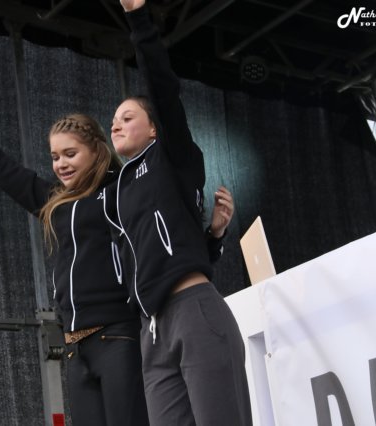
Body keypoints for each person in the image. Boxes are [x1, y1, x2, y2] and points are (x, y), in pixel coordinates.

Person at [0, 71, 149, 426]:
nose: (61, 164)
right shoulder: (55, 200)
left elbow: (164, 230)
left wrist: (214, 237)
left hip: (118, 336)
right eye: (54, 157)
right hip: (76, 346)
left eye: (70, 154)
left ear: (97, 150)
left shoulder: (121, 191)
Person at [103, 1, 253, 424]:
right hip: (151, 331)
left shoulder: (171, 156)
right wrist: (213, 237)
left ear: (154, 128)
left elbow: (163, 91)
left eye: (127, 117)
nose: (115, 124)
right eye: (113, 120)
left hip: (193, 310)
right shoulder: (116, 194)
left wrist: (138, 18)